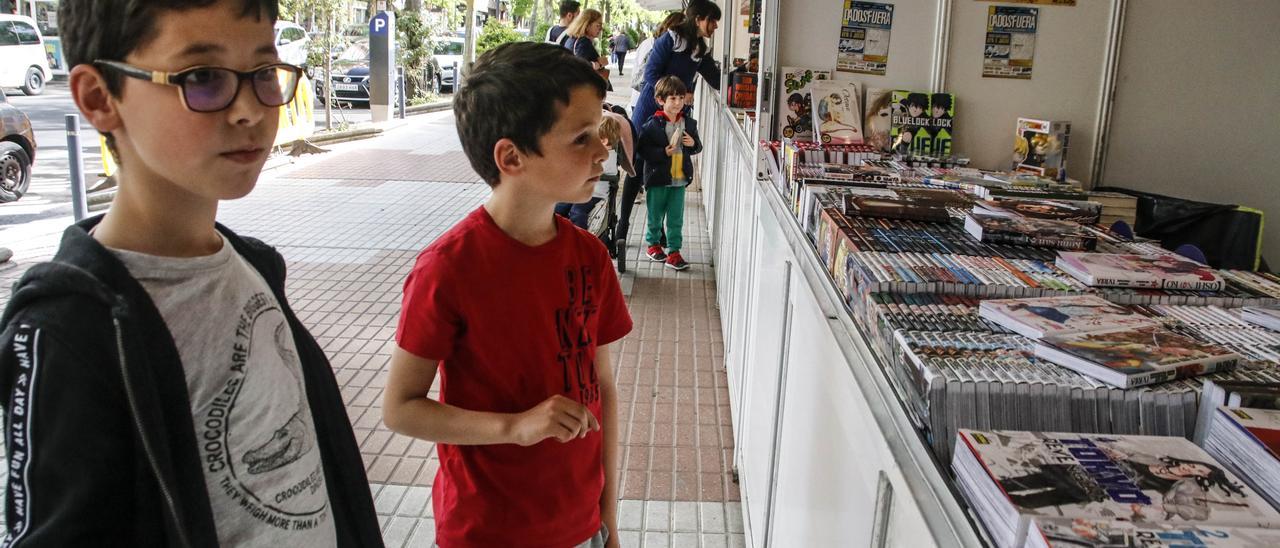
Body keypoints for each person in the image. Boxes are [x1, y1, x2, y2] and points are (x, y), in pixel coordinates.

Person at [0, 0, 383, 545]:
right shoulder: (70, 330)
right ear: (99, 98)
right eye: (202, 78)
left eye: (263, 74)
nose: (250, 109)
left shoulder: (255, 266)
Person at [383, 42, 632, 547]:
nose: (603, 151)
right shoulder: (448, 269)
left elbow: (602, 387)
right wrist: (514, 427)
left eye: (600, 132)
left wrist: (607, 513)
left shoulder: (590, 257)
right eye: (582, 138)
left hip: (581, 526)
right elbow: (401, 408)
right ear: (512, 156)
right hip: (486, 530)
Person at [637, 76, 702, 271]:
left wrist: (693, 144)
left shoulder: (689, 123)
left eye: (681, 98)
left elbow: (697, 147)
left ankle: (674, 251)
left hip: (679, 178)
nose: (677, 103)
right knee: (655, 215)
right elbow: (642, 150)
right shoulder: (652, 125)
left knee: (676, 217)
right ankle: (653, 245)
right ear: (660, 100)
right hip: (658, 178)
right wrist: (662, 152)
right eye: (672, 98)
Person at [564, 8, 609, 87]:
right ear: (587, 25)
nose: (601, 29)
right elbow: (580, 66)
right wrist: (599, 63)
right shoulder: (583, 41)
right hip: (582, 87)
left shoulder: (572, 38)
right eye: (598, 25)